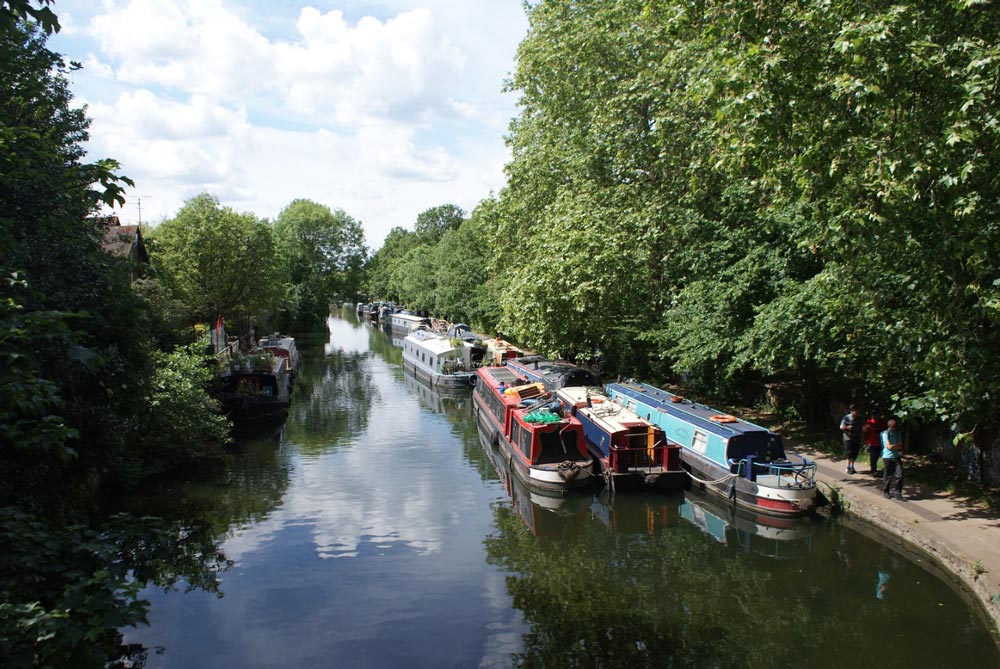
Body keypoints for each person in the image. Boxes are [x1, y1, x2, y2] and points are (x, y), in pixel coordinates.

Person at [881, 418, 905, 499]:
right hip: (887, 457)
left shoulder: (898, 434)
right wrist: (896, 446)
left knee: (900, 475)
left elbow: (900, 445)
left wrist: (894, 446)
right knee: (887, 476)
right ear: (889, 427)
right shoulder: (885, 434)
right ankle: (886, 491)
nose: (894, 428)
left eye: (895, 427)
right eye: (892, 427)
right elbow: (889, 447)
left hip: (896, 457)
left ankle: (898, 492)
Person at [839, 404, 863, 474]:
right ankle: (848, 467)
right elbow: (841, 426)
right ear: (851, 411)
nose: (856, 412)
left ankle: (852, 466)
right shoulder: (846, 418)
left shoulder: (860, 418)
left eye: (857, 410)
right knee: (850, 453)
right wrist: (846, 427)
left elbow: (862, 428)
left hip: (856, 437)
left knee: (855, 452)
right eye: (854, 411)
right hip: (848, 437)